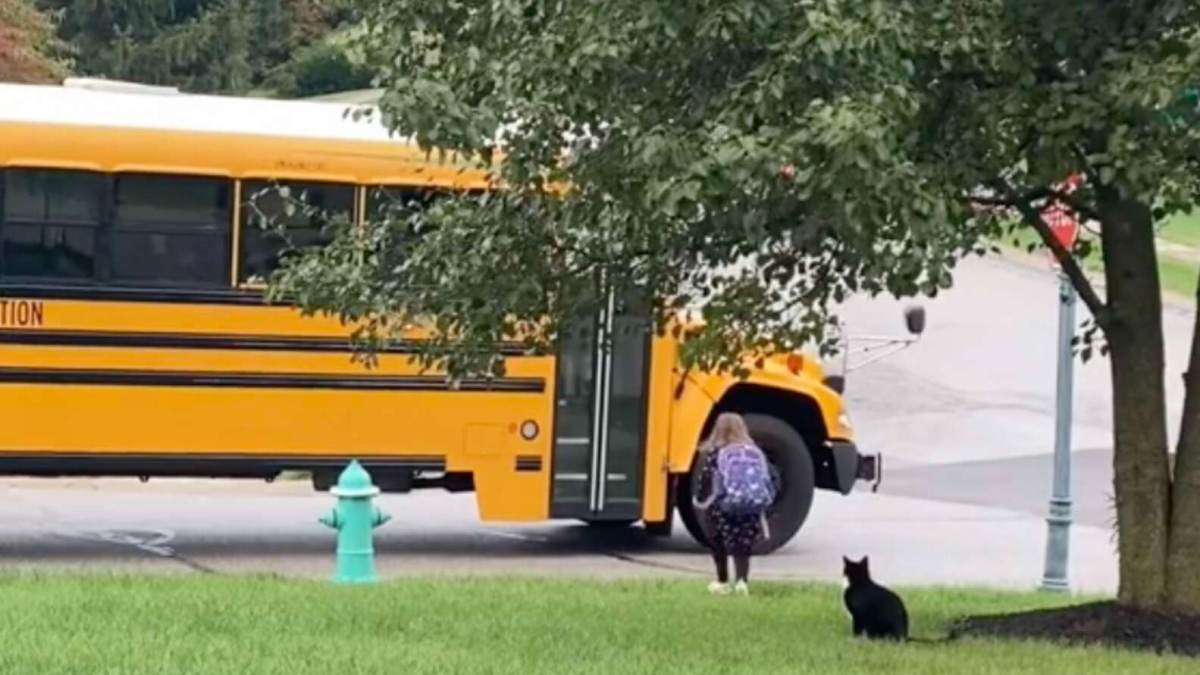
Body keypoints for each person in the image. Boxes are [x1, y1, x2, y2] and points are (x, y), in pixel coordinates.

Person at [692, 412, 772, 596]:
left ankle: (722, 581)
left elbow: (704, 481)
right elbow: (770, 479)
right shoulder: (755, 452)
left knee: (718, 542)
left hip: (723, 507)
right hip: (750, 507)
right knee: (742, 547)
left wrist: (698, 499)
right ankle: (742, 582)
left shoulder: (716, 453)